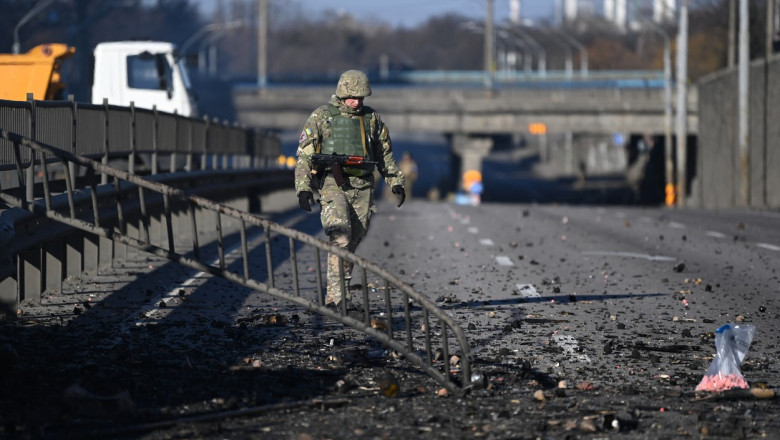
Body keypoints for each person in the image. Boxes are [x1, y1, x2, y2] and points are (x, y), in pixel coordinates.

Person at [295, 70, 405, 309]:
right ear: (342, 94)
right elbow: (304, 156)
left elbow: (384, 154)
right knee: (340, 237)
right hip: (333, 184)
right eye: (352, 97)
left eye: (361, 97)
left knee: (353, 241)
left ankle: (338, 295)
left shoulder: (371, 119)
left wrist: (395, 181)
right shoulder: (322, 117)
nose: (357, 102)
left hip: (363, 186)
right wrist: (303, 188)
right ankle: (338, 300)